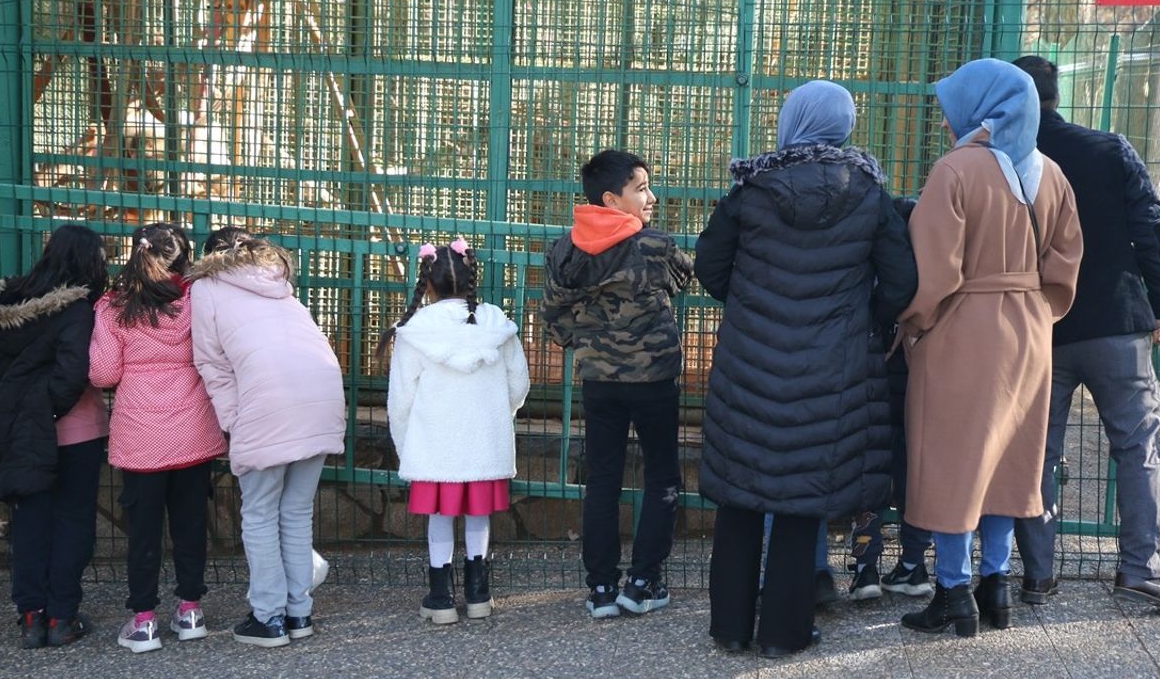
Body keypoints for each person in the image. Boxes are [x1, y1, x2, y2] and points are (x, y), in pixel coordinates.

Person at [696, 80, 917, 657]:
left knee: (742, 497)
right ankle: (784, 633)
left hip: (751, 362)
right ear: (843, 125)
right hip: (834, 372)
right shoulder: (868, 191)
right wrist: (860, 317)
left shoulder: (752, 189)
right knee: (802, 501)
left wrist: (751, 305)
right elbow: (900, 281)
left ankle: (730, 626)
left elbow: (710, 265)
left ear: (791, 120)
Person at [898, 59, 1083, 638]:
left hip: (962, 328)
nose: (945, 121)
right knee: (1008, 460)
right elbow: (1066, 265)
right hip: (1029, 332)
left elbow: (935, 274)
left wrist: (915, 325)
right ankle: (996, 585)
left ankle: (954, 593)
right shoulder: (1051, 173)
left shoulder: (954, 171)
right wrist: (1034, 309)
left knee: (953, 460)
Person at [1011, 55, 1160, 611]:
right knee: (1137, 447)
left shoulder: (1007, 158)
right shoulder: (1108, 149)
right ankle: (1141, 569)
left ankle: (1037, 575)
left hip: (1040, 325)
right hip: (1117, 322)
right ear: (1056, 94)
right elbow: (1151, 232)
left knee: (1038, 453)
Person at [542, 149, 694, 619]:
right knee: (661, 478)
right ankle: (644, 581)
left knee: (602, 482)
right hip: (654, 380)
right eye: (641, 188)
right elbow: (686, 278)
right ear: (612, 197)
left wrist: (589, 342)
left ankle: (602, 588)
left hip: (599, 382)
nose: (651, 196)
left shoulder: (565, 249)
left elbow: (553, 319)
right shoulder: (654, 245)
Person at [189, 227, 346, 646]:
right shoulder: (279, 282)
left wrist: (234, 420)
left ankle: (268, 618)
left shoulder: (206, 288)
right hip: (323, 399)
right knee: (295, 513)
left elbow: (211, 361)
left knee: (259, 514)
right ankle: (299, 614)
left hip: (266, 403)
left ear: (209, 258)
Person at [90, 223, 226, 653]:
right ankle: (190, 611)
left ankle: (143, 620)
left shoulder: (113, 307)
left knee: (144, 532)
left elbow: (103, 373)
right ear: (185, 259)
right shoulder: (197, 301)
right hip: (193, 431)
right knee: (190, 525)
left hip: (141, 436)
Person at [380, 237, 529, 625]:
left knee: (440, 517)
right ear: (470, 277)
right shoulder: (497, 323)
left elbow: (401, 399)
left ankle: (441, 597)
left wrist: (405, 442)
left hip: (435, 444)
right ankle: (479, 594)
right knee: (479, 515)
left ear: (427, 283)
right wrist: (502, 413)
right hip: (484, 441)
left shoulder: (415, 330)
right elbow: (519, 384)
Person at [0, 224, 109, 648]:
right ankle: (61, 618)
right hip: (75, 432)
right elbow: (73, 373)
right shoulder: (78, 308)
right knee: (73, 521)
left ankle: (30, 616)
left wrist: (19, 417)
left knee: (29, 522)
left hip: (15, 434)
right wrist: (48, 412)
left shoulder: (2, 305)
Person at [847, 197, 935, 602]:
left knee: (868, 473)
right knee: (915, 472)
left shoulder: (865, 266)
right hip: (918, 379)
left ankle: (865, 568)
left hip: (868, 380)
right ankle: (914, 563)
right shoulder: (922, 267)